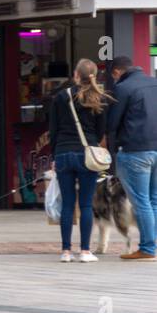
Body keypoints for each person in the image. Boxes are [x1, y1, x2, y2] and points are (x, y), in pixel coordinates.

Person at [49, 59, 111, 263]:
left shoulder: (60, 97)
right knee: (85, 204)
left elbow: (53, 130)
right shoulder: (99, 98)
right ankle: (85, 251)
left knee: (67, 204)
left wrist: (54, 156)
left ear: (76, 75)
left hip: (64, 153)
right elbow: (101, 131)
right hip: (87, 156)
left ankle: (66, 251)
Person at [108, 55, 157, 260]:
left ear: (117, 72)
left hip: (135, 150)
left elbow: (112, 123)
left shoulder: (122, 88)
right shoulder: (154, 83)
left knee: (141, 202)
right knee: (153, 200)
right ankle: (152, 244)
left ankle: (147, 248)